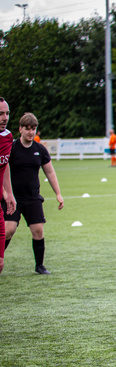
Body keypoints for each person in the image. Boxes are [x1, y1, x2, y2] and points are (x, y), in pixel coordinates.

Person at [2, 112, 63, 275]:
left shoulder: (40, 150)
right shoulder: (12, 147)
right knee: (9, 229)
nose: (31, 132)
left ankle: (39, 265)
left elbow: (50, 172)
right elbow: (3, 169)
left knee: (38, 231)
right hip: (13, 198)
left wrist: (58, 193)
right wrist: (5, 193)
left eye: (33, 128)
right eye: (27, 128)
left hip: (33, 198)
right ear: (20, 129)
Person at [0, 97, 18, 276]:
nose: (5, 117)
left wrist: (9, 193)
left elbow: (4, 165)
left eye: (7, 113)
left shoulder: (7, 137)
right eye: (0, 114)